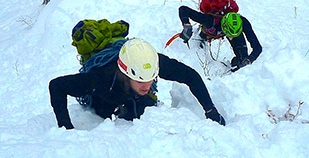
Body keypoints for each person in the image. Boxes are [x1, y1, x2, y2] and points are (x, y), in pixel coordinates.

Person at [48, 38, 225, 129]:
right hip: (106, 96)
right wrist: (66, 129)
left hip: (133, 97)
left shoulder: (152, 62)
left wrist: (211, 110)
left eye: (150, 78)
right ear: (126, 72)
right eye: (140, 79)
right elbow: (57, 86)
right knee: (104, 110)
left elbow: (191, 76)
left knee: (145, 107)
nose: (146, 84)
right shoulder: (101, 77)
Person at [178, 6, 262, 71]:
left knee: (242, 59)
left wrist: (249, 60)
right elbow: (183, 9)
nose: (231, 37)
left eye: (233, 35)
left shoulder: (243, 22)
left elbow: (258, 47)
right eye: (229, 34)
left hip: (228, 29)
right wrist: (187, 25)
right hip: (208, 32)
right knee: (200, 40)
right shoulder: (210, 20)